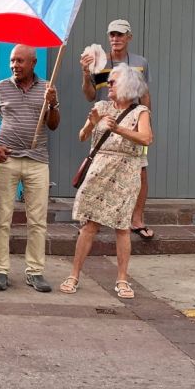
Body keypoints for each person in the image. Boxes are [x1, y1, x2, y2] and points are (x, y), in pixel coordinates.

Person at [61, 64, 152, 299]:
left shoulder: (140, 111)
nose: (108, 85)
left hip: (126, 171)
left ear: (128, 85)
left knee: (122, 227)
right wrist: (92, 122)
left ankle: (122, 280)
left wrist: (119, 129)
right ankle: (74, 275)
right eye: (109, 81)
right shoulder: (100, 106)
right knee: (89, 225)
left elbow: (147, 138)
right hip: (99, 169)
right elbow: (82, 136)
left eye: (113, 81)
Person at [0, 46, 59, 292]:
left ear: (33, 63)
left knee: (37, 220)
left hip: (38, 161)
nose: (14, 65)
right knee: (1, 218)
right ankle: (0, 270)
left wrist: (52, 105)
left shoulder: (48, 88)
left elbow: (54, 125)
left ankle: (35, 272)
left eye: (20, 61)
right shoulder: (1, 88)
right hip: (8, 159)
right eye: (12, 60)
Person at [80, 19, 155, 239]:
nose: (115, 39)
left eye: (120, 35)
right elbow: (90, 95)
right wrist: (86, 74)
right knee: (99, 167)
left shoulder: (141, 62)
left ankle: (137, 219)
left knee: (140, 169)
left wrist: (146, 120)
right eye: (112, 35)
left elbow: (145, 94)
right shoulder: (99, 62)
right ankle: (93, 217)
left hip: (133, 119)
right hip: (106, 120)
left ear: (129, 37)